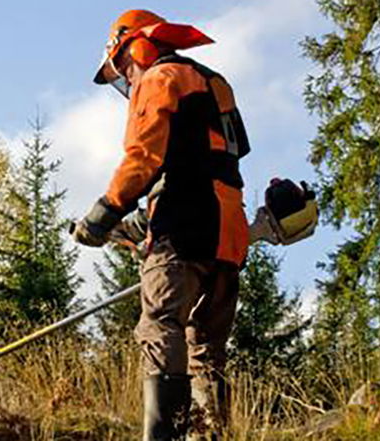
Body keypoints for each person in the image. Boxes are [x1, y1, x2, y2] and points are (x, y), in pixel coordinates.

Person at [71, 9, 251, 441]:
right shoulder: (214, 81)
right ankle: (208, 434)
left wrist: (104, 213)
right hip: (228, 229)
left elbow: (144, 157)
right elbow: (227, 154)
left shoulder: (158, 78)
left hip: (183, 226)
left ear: (138, 46)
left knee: (160, 324)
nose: (127, 80)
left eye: (123, 67)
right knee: (205, 347)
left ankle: (164, 436)